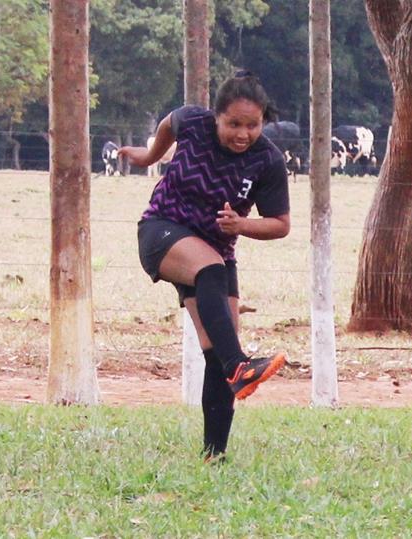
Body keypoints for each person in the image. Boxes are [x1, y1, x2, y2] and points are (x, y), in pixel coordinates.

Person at [118, 70, 291, 463]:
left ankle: (215, 454)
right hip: (163, 229)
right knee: (212, 275)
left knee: (217, 346)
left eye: (252, 125)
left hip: (216, 249)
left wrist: (242, 225)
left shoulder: (268, 160)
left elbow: (280, 224)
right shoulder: (192, 122)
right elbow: (167, 124)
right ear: (216, 117)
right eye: (233, 124)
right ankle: (240, 367)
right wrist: (150, 156)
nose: (242, 133)